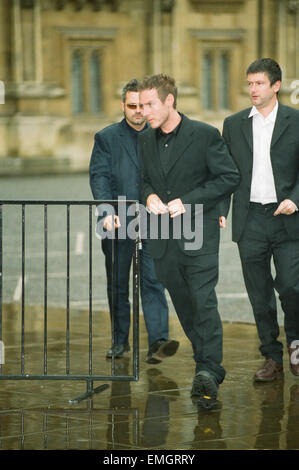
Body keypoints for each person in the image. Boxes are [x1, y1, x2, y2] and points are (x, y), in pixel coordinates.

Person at [138, 74, 240, 408]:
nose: (144, 111)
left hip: (199, 231)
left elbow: (228, 177)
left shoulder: (204, 135)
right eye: (140, 105)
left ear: (169, 101)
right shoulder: (145, 140)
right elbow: (145, 180)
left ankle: (209, 369)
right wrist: (150, 195)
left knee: (202, 298)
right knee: (183, 301)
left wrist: (190, 201)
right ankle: (206, 362)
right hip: (163, 238)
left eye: (150, 104)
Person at [89, 79, 179, 364]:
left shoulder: (160, 134)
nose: (138, 111)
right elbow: (99, 176)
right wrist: (106, 210)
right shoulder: (106, 138)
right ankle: (119, 341)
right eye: (132, 106)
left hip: (152, 220)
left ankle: (158, 342)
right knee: (117, 283)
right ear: (123, 106)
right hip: (117, 221)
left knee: (153, 280)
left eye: (143, 105)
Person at [221, 58, 299, 381]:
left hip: (287, 218)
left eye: (259, 83)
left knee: (292, 286)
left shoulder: (296, 121)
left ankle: (296, 343)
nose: (252, 89)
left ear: (276, 86)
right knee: (259, 291)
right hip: (250, 217)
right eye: (249, 83)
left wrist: (295, 199)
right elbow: (224, 173)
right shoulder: (234, 123)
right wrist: (219, 213)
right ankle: (271, 355)